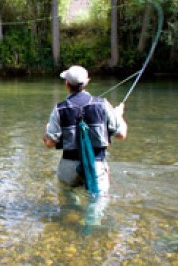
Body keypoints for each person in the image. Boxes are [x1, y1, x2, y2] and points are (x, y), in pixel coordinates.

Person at [43, 65, 127, 195]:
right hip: (97, 165)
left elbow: (50, 143)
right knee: (97, 203)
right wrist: (119, 115)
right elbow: (121, 135)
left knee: (69, 201)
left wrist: (47, 130)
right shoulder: (103, 104)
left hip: (68, 167)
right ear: (86, 82)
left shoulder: (59, 109)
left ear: (67, 84)